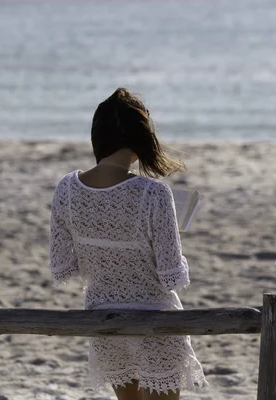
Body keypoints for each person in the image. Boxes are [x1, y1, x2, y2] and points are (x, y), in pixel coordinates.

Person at [48, 88, 207, 400]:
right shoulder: (153, 193)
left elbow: (63, 267)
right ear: (140, 140)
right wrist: (167, 233)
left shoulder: (66, 189)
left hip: (104, 319)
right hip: (154, 321)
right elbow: (172, 275)